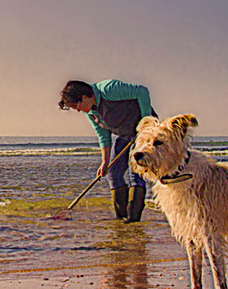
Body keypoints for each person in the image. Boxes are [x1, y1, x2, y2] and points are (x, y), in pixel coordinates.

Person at [59, 79, 157, 222]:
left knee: (134, 173)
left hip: (142, 133)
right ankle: (121, 218)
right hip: (124, 136)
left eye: (76, 105)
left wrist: (145, 126)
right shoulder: (92, 112)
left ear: (85, 97)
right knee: (113, 173)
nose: (78, 110)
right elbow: (103, 135)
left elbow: (142, 91)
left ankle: (133, 220)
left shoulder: (108, 89)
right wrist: (104, 162)